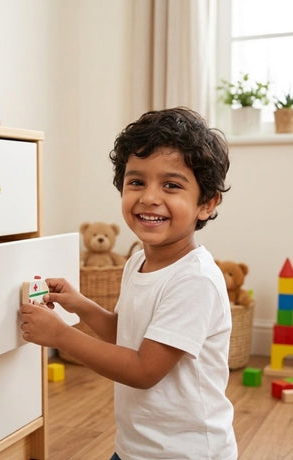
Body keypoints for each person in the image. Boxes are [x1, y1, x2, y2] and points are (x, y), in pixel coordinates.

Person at [19, 107, 237, 460]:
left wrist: (61, 336)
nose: (149, 197)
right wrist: (81, 305)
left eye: (171, 185)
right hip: (137, 447)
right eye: (137, 182)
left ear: (206, 204)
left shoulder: (195, 280)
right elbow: (128, 334)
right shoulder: (138, 260)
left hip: (186, 453)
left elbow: (144, 369)